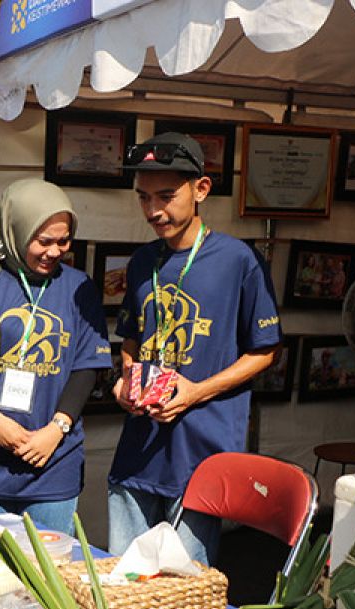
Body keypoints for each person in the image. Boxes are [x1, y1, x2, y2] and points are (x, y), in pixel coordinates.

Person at [108, 132, 281, 564]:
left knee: (183, 595)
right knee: (123, 588)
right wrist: (125, 378)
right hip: (138, 452)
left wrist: (195, 391)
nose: (153, 210)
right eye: (143, 197)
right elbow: (131, 337)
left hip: (200, 455)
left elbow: (264, 352)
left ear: (201, 189)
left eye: (166, 196)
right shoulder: (142, 261)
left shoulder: (239, 260)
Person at [0, 180, 109, 532]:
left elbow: (87, 366)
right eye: (43, 241)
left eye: (63, 241)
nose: (55, 251)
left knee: (49, 575)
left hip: (53, 461)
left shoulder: (79, 288)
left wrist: (55, 430)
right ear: (15, 231)